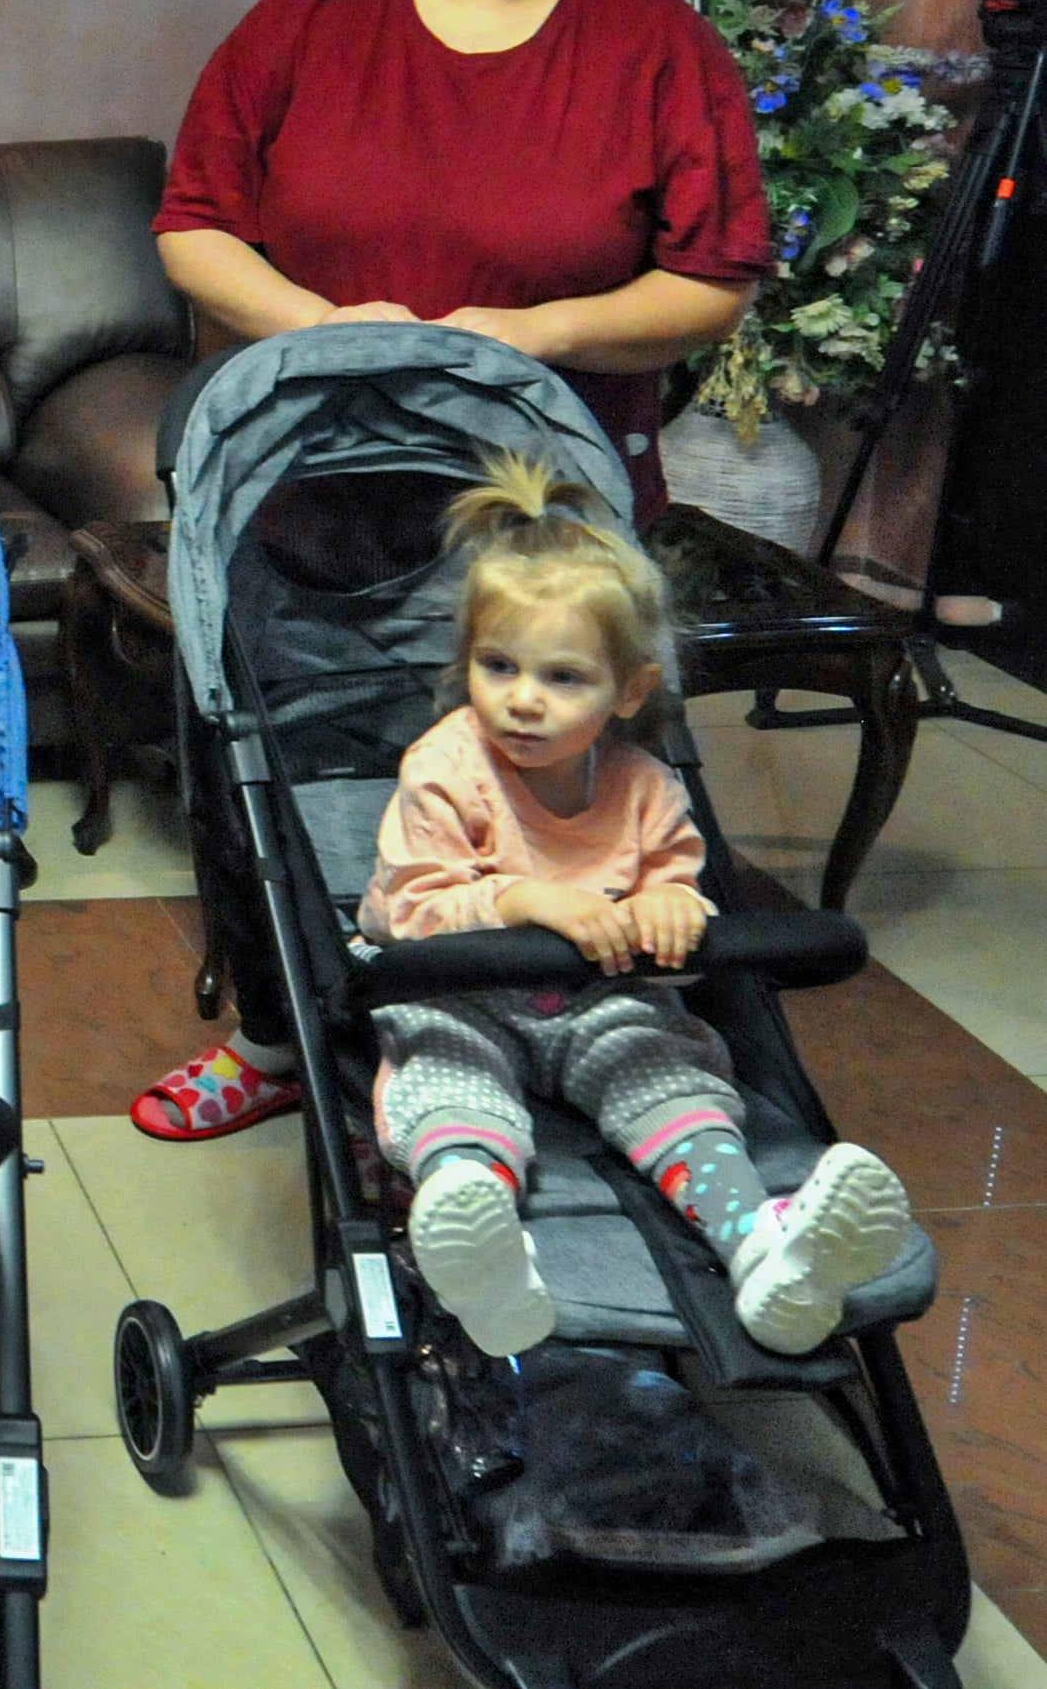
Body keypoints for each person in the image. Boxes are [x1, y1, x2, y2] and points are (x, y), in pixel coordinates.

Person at [131, 0, 770, 1145]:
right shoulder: (301, 20)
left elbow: (714, 274)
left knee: (558, 778)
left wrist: (533, 333)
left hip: (550, 516)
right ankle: (282, 1034)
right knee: (288, 774)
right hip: (311, 504)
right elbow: (192, 227)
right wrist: (327, 337)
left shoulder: (654, 45)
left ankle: (585, 1038)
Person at [365, 456, 908, 1358]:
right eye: (496, 666)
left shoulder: (645, 787)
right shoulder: (444, 766)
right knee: (450, 1086)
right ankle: (484, 1249)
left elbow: (676, 893)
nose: (521, 699)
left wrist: (669, 911)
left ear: (626, 690)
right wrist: (523, 898)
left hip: (603, 1005)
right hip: (461, 995)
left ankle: (764, 1251)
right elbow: (408, 909)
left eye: (560, 678)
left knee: (669, 1083)